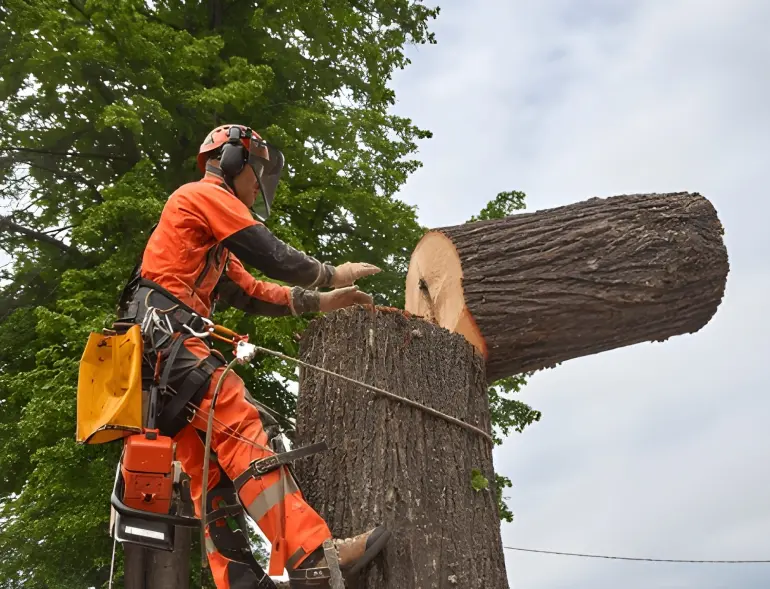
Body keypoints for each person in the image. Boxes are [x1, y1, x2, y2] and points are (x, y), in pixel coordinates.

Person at [116, 124, 391, 588]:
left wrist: (323, 301)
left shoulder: (212, 238)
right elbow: (271, 253)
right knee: (240, 422)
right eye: (256, 169)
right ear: (231, 160)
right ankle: (312, 554)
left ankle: (240, 582)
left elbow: (252, 291)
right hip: (168, 339)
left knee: (210, 467)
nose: (259, 182)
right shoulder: (202, 195)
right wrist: (331, 273)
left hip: (156, 355)